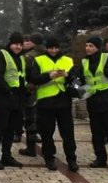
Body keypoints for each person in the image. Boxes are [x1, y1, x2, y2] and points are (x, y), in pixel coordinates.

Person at [73, 36, 108, 171]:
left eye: (91, 46)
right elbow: (80, 77)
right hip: (94, 101)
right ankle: (100, 158)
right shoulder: (85, 61)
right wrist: (76, 83)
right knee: (96, 133)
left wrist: (107, 72)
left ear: (97, 47)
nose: (88, 48)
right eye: (86, 46)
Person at [29, 36, 78, 171]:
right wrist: (48, 76)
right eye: (51, 48)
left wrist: (68, 76)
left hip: (63, 101)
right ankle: (49, 158)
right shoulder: (39, 60)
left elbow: (76, 79)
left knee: (68, 133)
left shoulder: (68, 60)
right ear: (46, 48)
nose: (54, 50)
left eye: (56, 48)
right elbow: (33, 78)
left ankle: (71, 159)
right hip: (46, 102)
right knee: (47, 132)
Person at [0, 32, 26, 170]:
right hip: (3, 97)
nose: (18, 47)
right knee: (1, 127)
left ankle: (7, 156)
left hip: (16, 98)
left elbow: (20, 77)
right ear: (10, 43)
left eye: (21, 44)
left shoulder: (19, 58)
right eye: (16, 44)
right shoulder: (0, 55)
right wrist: (8, 91)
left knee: (11, 129)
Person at [18, 32, 45, 156]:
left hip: (32, 92)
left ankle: (31, 148)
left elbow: (24, 75)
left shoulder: (28, 57)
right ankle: (47, 148)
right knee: (44, 121)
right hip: (46, 92)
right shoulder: (47, 54)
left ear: (33, 42)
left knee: (30, 121)